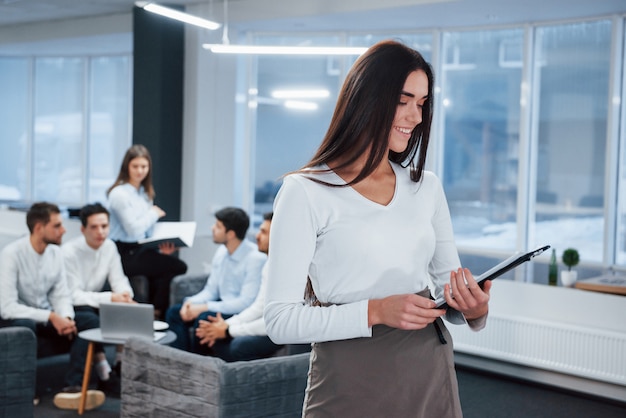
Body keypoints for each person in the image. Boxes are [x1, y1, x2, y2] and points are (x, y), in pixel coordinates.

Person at [263, 40, 491, 417]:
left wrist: (472, 307)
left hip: (428, 371)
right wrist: (376, 311)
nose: (416, 116)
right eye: (403, 100)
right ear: (366, 99)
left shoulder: (427, 187)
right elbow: (280, 321)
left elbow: (444, 292)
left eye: (421, 103)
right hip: (350, 378)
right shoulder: (304, 191)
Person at [0, 202, 106, 411]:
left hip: (47, 316)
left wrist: (65, 317)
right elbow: (7, 307)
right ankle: (26, 389)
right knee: (24, 326)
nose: (64, 230)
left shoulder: (55, 253)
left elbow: (61, 294)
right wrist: (51, 316)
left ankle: (73, 386)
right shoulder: (12, 253)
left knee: (89, 321)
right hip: (18, 316)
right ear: (39, 228)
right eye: (57, 225)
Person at [166, 207, 266, 353]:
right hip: (223, 305)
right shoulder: (222, 252)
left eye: (218, 226)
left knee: (204, 317)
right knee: (174, 312)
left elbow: (245, 303)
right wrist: (190, 303)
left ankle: (199, 364)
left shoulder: (256, 259)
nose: (212, 228)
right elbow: (211, 290)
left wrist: (205, 307)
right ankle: (181, 359)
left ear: (230, 234)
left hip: (240, 311)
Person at [106, 144, 188, 319]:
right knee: (177, 266)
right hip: (124, 252)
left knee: (169, 264)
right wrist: (153, 213)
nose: (140, 171)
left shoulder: (144, 193)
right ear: (127, 167)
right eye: (135, 166)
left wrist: (162, 247)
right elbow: (133, 230)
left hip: (142, 248)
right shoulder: (119, 194)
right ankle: (156, 312)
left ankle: (154, 312)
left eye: (144, 166)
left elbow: (146, 231)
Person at [62, 202, 136, 391]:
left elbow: (119, 279)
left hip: (96, 301)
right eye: (94, 227)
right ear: (82, 229)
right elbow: (73, 295)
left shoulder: (109, 246)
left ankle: (119, 365)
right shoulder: (69, 252)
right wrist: (111, 298)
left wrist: (125, 296)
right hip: (73, 304)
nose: (100, 232)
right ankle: (100, 372)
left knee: (127, 308)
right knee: (89, 316)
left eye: (104, 226)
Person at [195, 212, 283, 361]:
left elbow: (275, 321)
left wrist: (229, 330)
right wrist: (224, 325)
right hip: (266, 322)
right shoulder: (269, 265)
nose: (256, 236)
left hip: (281, 330)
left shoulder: (284, 268)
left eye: (263, 232)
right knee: (211, 327)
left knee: (238, 346)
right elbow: (258, 308)